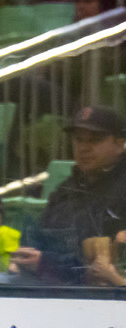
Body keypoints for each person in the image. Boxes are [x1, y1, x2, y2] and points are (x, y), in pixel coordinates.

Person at [11, 105, 126, 286]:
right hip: (48, 286)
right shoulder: (66, 190)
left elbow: (103, 269)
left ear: (119, 145)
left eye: (94, 140)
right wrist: (24, 258)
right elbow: (40, 235)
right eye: (79, 140)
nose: (84, 148)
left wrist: (46, 264)